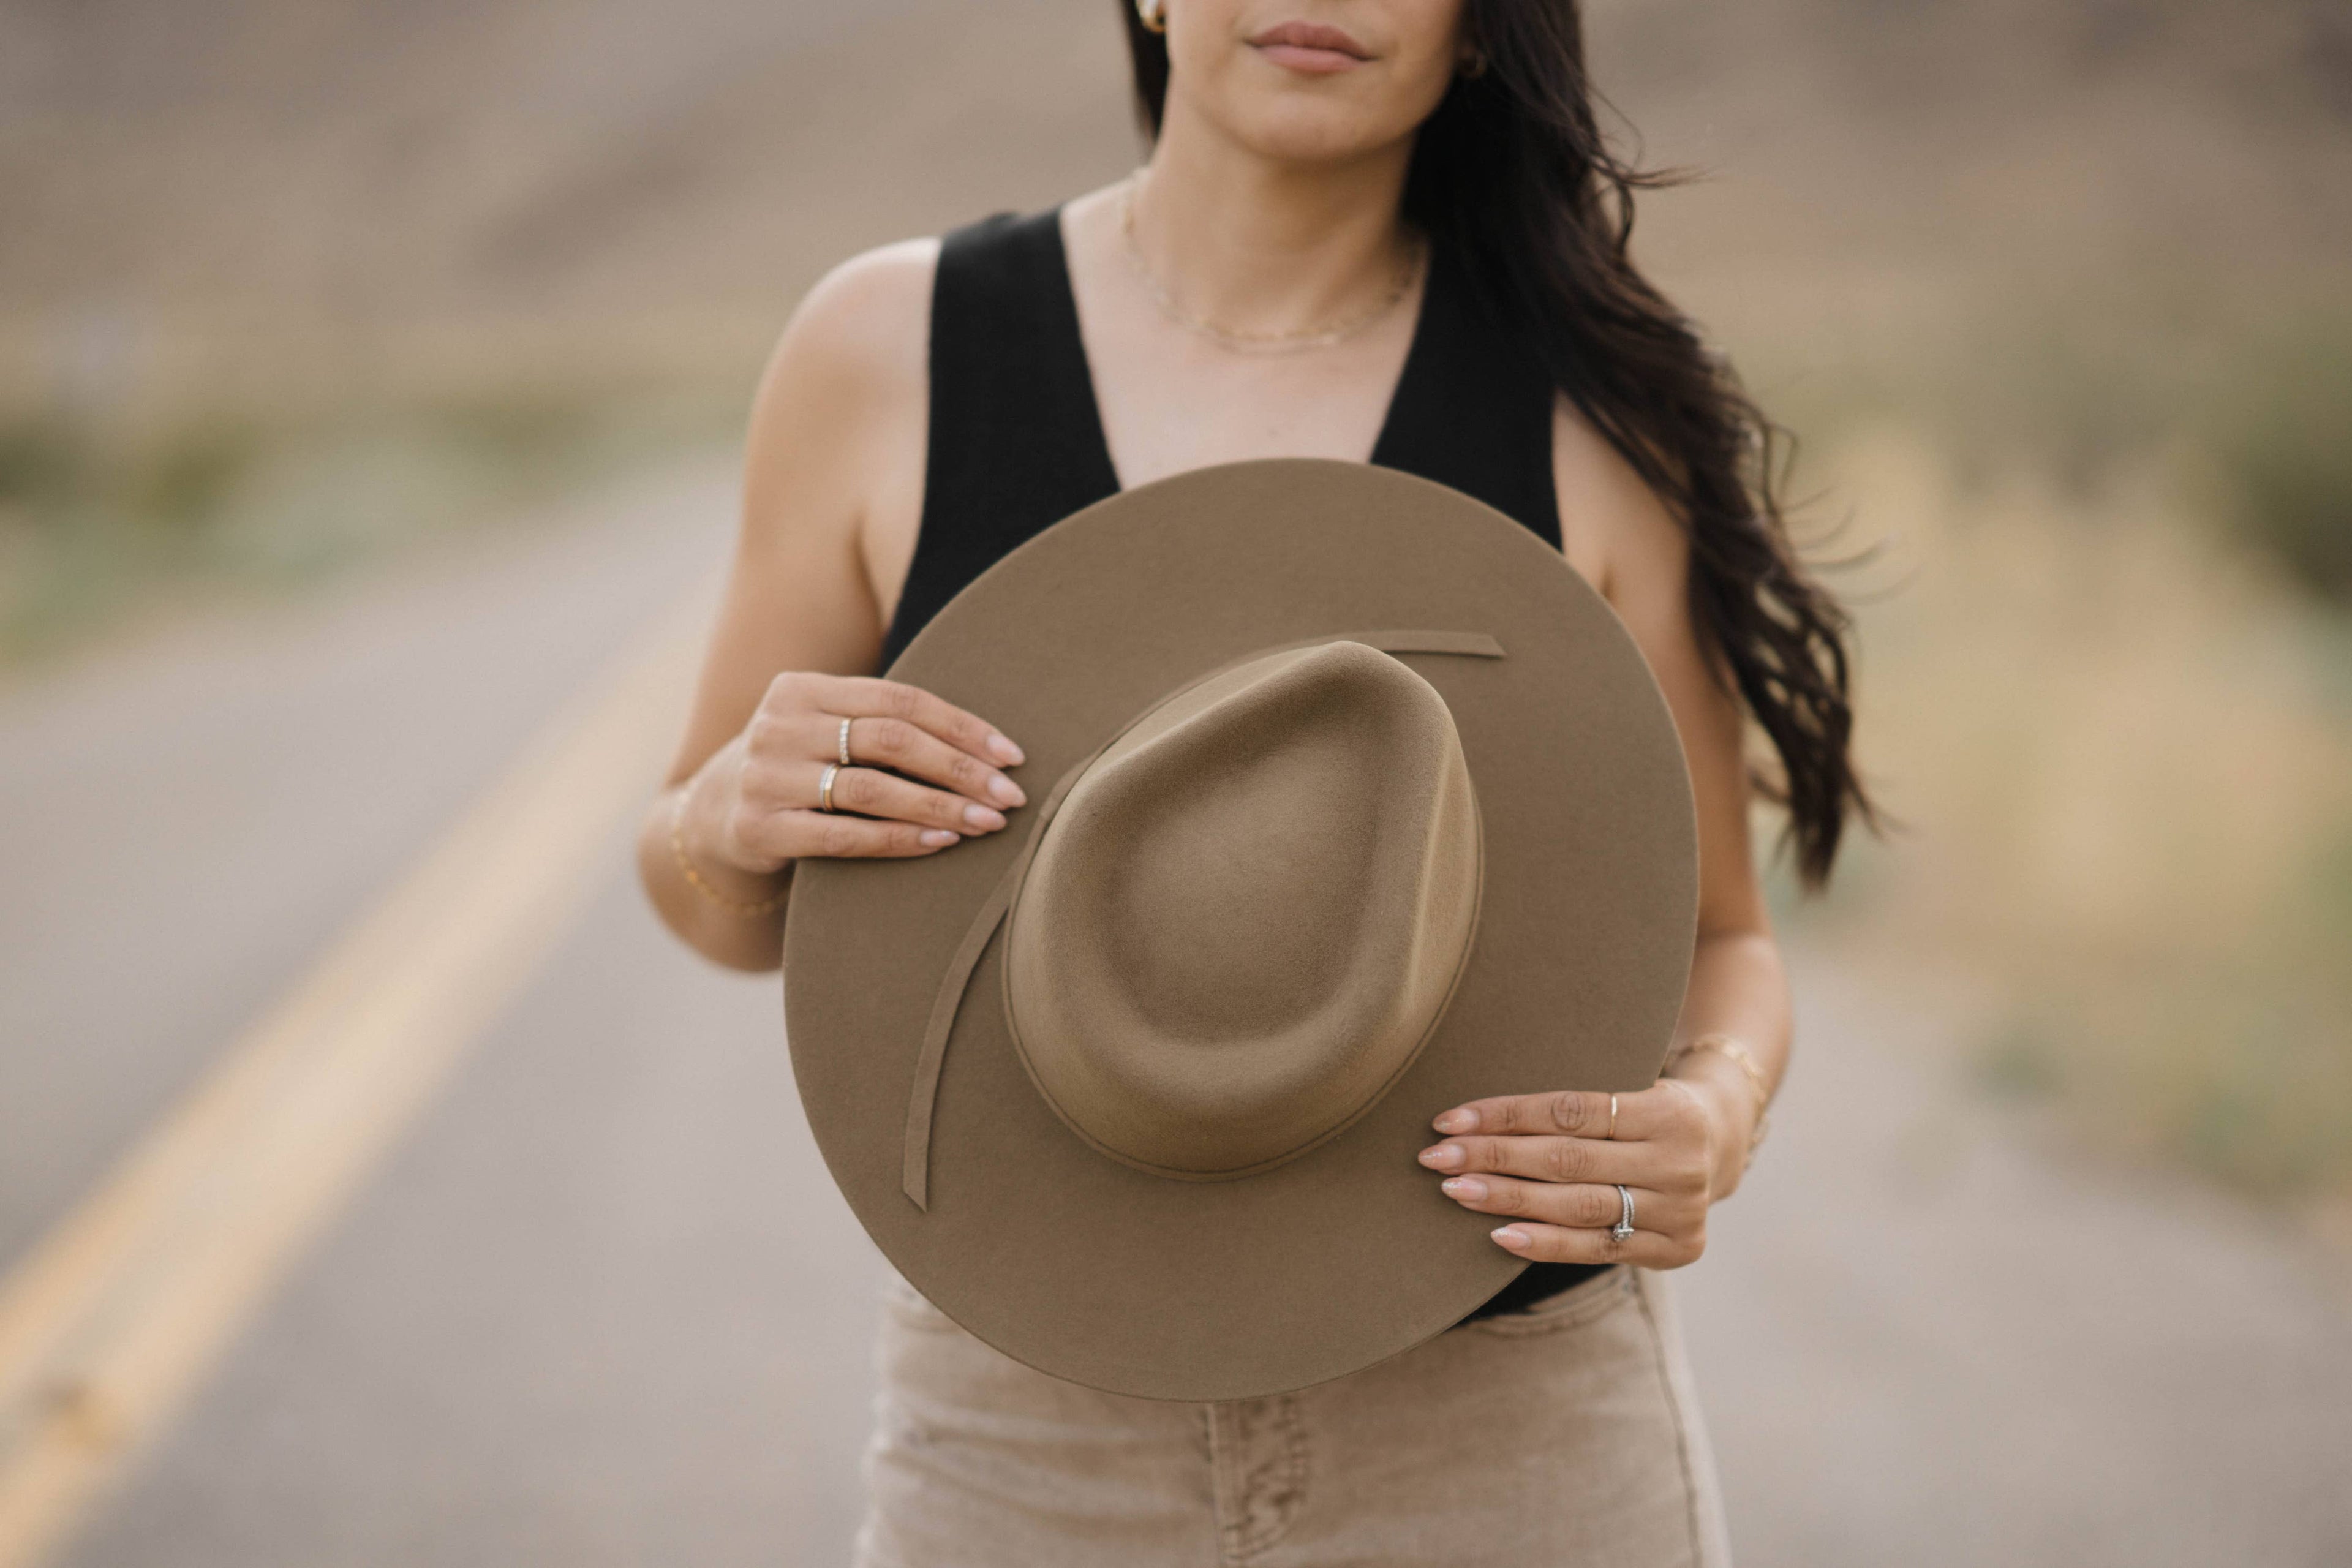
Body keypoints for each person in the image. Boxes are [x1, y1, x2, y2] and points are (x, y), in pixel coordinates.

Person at [636, 1, 1874, 1561]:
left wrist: (1715, 1109)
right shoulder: (892, 352)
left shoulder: (1584, 411)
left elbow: (1723, 938)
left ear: (1485, 26)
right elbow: (720, 905)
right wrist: (722, 816)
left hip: (1507, 1436)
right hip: (1025, 1440)